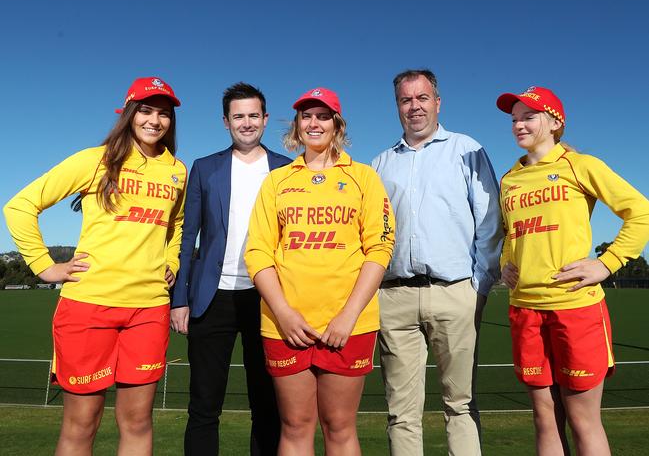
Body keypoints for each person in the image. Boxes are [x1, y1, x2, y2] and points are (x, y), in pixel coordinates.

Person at [3, 76, 186, 455]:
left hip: (149, 309)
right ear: (130, 114)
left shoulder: (177, 171)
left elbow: (177, 223)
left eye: (164, 114)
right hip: (89, 307)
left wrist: (171, 259)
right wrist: (44, 265)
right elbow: (20, 206)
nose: (155, 120)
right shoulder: (95, 160)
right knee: (81, 424)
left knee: (137, 422)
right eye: (147, 111)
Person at [496, 85, 649, 455]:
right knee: (544, 418)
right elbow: (508, 234)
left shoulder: (581, 165)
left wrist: (606, 263)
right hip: (526, 309)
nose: (518, 125)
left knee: (583, 419)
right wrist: (505, 264)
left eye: (528, 116)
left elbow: (640, 213)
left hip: (575, 308)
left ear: (554, 122)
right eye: (514, 119)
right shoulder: (509, 179)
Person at [244, 87, 395, 455]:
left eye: (323, 116)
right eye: (306, 116)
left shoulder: (363, 177)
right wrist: (283, 312)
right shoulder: (278, 181)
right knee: (295, 426)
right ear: (297, 126)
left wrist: (348, 315)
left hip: (348, 325)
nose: (314, 123)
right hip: (286, 324)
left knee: (339, 426)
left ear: (337, 125)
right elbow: (258, 252)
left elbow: (380, 248)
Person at [372, 69, 503, 456]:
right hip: (394, 299)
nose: (414, 106)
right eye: (406, 100)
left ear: (437, 102)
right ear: (397, 105)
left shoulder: (467, 150)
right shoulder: (381, 164)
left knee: (459, 405)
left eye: (422, 98)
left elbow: (490, 223)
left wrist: (478, 288)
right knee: (401, 414)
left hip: (455, 292)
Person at [171, 82, 288, 455]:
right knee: (204, 407)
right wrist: (180, 299)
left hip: (267, 298)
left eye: (254, 115)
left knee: (268, 405)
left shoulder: (287, 171)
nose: (247, 123)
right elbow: (188, 236)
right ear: (226, 122)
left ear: (266, 119)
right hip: (211, 298)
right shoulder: (205, 168)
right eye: (239, 116)